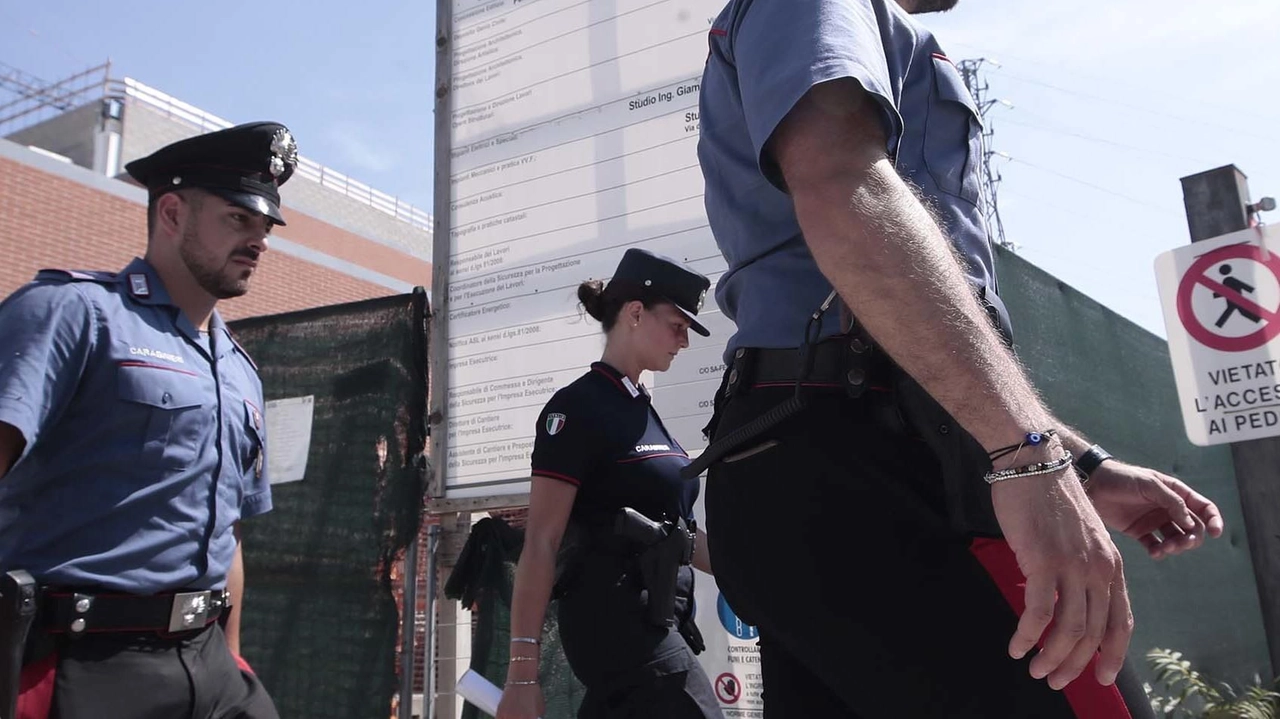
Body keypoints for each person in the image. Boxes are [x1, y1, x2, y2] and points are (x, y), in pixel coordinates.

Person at [692, 1, 1226, 717]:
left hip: (824, 458)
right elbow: (841, 181)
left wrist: (1080, 463)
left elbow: (918, 321)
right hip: (871, 466)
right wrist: (1027, 454)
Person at [0, 121, 296, 719]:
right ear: (170, 213)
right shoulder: (72, 312)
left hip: (209, 660)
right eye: (238, 218)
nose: (259, 240)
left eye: (265, 226)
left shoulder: (241, 369)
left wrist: (232, 664)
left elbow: (229, 531)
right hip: (83, 662)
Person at [496, 248, 723, 719]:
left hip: (662, 624)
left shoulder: (640, 407)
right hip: (616, 624)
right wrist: (521, 674)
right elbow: (541, 540)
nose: (683, 342)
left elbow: (677, 534)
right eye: (677, 326)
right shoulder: (577, 408)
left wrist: (754, 576)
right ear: (636, 313)